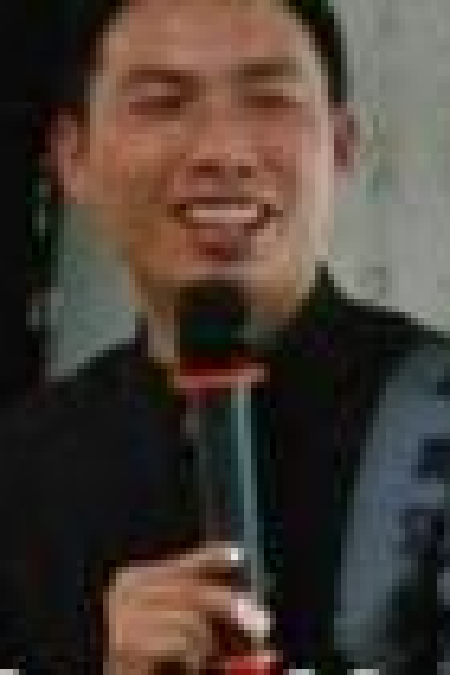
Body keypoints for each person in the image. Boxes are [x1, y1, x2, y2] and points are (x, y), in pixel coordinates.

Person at [2, 0, 449, 672]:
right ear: (75, 157)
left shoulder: (434, 410)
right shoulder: (24, 469)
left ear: (341, 145)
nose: (223, 153)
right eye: (163, 103)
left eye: (270, 101)